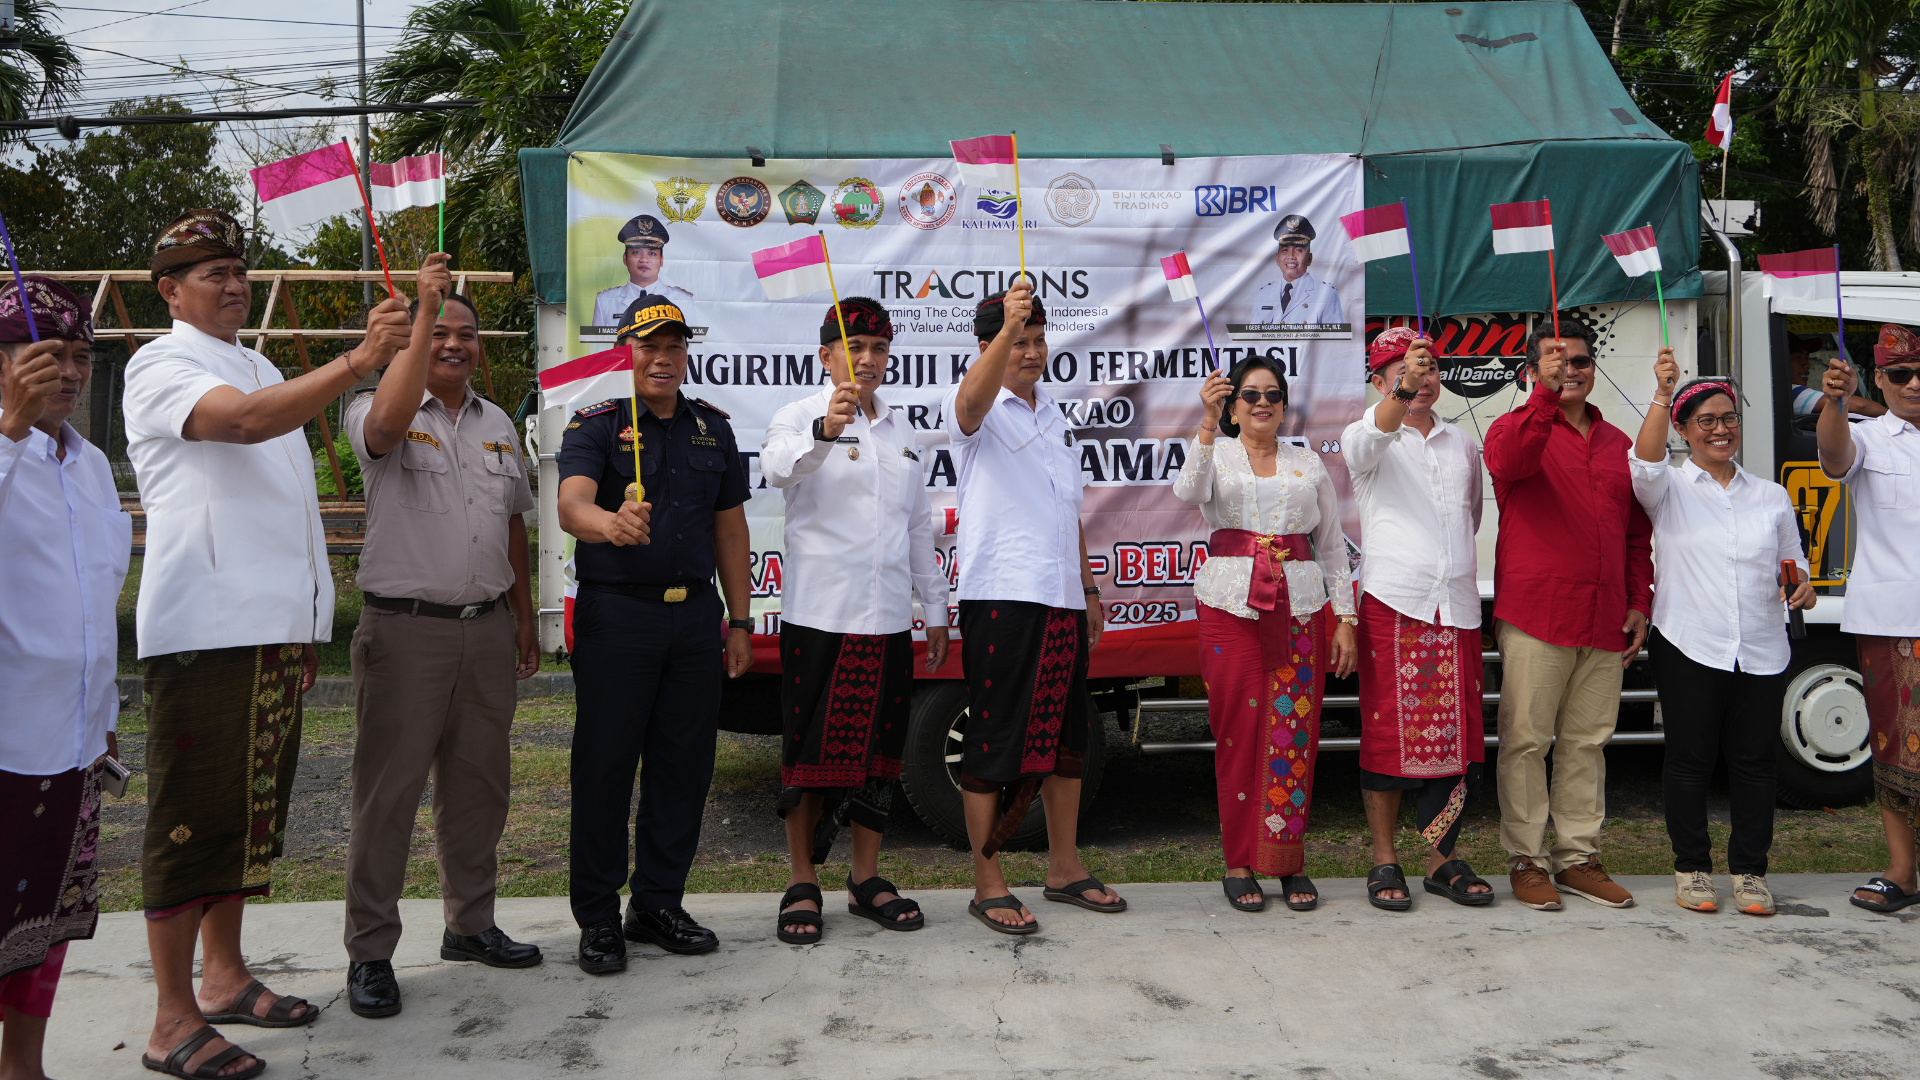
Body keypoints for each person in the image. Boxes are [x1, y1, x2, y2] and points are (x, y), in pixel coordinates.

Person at [121, 209, 413, 1078]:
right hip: (207, 629)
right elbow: (243, 426)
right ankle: (172, 1019)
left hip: (268, 628)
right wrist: (360, 362)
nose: (234, 284)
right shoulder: (159, 362)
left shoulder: (256, 361)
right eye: (211, 273)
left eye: (239, 270)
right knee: (190, 820)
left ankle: (224, 977)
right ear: (171, 290)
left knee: (250, 816)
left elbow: (280, 498)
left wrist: (303, 616)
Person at [337, 268, 545, 1018]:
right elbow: (388, 431)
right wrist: (419, 315)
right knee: (387, 797)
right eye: (439, 332)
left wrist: (522, 617)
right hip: (405, 633)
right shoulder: (374, 405)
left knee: (480, 790)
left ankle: (471, 923)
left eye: (465, 334)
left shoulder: (497, 424)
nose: (453, 344)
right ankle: (370, 952)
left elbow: (513, 523)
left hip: (485, 631)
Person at [556, 294, 754, 973]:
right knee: (606, 768)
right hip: (620, 618)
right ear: (627, 353)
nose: (662, 357)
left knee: (683, 768)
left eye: (673, 345)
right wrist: (608, 523)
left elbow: (731, 528)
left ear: (686, 353)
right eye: (648, 346)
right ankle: (598, 917)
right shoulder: (598, 425)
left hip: (695, 620)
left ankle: (658, 902)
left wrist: (740, 618)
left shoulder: (711, 429)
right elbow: (570, 503)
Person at [759, 298, 950, 942]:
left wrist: (937, 607)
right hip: (821, 615)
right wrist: (824, 429)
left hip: (890, 617)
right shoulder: (797, 416)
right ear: (826, 356)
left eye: (877, 348)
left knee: (880, 752)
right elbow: (776, 470)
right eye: (853, 347)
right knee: (808, 752)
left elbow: (918, 525)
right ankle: (803, 881)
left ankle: (865, 879)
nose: (866, 359)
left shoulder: (899, 431)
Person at [939, 281, 1122, 935]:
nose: (1032, 351)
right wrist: (1004, 330)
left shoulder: (1053, 416)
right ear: (990, 346)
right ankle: (988, 881)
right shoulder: (976, 410)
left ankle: (1064, 868)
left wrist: (1090, 590)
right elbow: (967, 402)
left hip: (1062, 598)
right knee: (995, 740)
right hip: (1003, 595)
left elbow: (1066, 512)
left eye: (1040, 340)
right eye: (1019, 341)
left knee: (1069, 739)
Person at [1632, 352, 1814, 916]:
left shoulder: (1770, 496)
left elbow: (1793, 562)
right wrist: (1663, 394)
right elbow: (1643, 461)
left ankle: (1751, 873)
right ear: (1684, 431)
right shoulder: (1668, 489)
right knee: (1689, 759)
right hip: (1689, 641)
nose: (1719, 429)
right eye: (1705, 420)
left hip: (1761, 645)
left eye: (1728, 418)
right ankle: (1692, 869)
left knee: (1756, 762)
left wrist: (1802, 586)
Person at [1177, 351, 1357, 913]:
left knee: (1292, 732)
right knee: (1239, 730)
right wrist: (1205, 424)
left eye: (1271, 395)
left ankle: (1285, 860)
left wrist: (1344, 618)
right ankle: (1238, 862)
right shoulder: (1216, 452)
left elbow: (1330, 546)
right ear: (1232, 405)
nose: (1261, 403)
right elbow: (1187, 492)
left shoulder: (1307, 464)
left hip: (1300, 610)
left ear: (1284, 406)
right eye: (1249, 395)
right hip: (1229, 609)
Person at [1482, 319, 1652, 912]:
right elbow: (1510, 462)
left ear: (1593, 367)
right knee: (1526, 741)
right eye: (1557, 361)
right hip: (1537, 611)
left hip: (1604, 615)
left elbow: (1636, 534)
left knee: (1587, 743)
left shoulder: (1617, 444)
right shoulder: (1512, 427)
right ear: (1532, 370)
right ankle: (1526, 861)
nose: (1571, 369)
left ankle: (1577, 857)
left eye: (1580, 360)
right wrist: (1545, 398)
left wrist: (1639, 601)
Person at [0, 277, 121, 1080]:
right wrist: (9, 434)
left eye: (79, 357)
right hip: (5, 739)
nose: (68, 373)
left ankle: (25, 1066)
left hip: (72, 737)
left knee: (41, 920)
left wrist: (103, 712)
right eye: (46, 354)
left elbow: (100, 599)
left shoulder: (90, 465)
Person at [1340, 328, 1492, 911]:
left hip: (1454, 605)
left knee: (1458, 739)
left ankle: (1441, 862)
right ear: (1380, 381)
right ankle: (1384, 860)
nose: (1420, 380)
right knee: (1386, 737)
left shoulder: (1461, 444)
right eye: (1402, 372)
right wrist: (1401, 394)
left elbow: (1470, 516)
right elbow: (1362, 448)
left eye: (1427, 369)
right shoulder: (1367, 435)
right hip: (1394, 602)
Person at [1820, 326, 1920, 914]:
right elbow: (1834, 458)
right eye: (1900, 374)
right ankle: (1903, 872)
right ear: (1879, 380)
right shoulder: (1869, 439)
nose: (1914, 384)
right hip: (1895, 620)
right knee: (1895, 746)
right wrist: (1834, 400)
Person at [589, 215, 701, 333]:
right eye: (636, 252)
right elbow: (597, 347)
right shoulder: (605, 301)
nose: (644, 259)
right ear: (625, 258)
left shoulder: (682, 301)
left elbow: (693, 348)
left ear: (661, 260)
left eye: (652, 254)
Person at [1245, 215, 1344, 326]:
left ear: (1309, 259)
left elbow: (1336, 340)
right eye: (1285, 250)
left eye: (1298, 250)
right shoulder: (1263, 294)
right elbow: (1254, 338)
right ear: (1277, 259)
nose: (1291, 256)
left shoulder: (1326, 294)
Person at [1790, 334, 1884, 420]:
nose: (1807, 365)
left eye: (1806, 358)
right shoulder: (1792, 393)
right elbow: (1860, 405)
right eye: (1798, 357)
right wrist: (1894, 419)